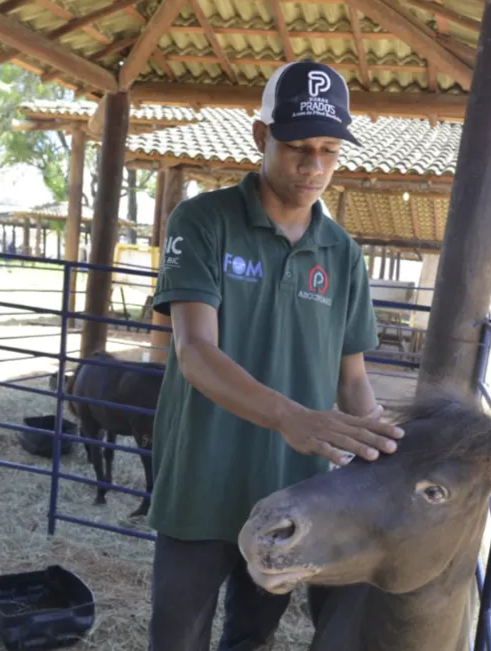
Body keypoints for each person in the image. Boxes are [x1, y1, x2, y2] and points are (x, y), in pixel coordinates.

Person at [146, 60, 406, 650]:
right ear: (260, 135)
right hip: (202, 477)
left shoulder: (342, 253)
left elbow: (353, 380)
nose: (314, 166)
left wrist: (382, 441)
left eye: (329, 150)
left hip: (292, 493)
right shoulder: (204, 222)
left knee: (252, 637)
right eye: (297, 147)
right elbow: (194, 352)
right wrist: (293, 417)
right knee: (176, 635)